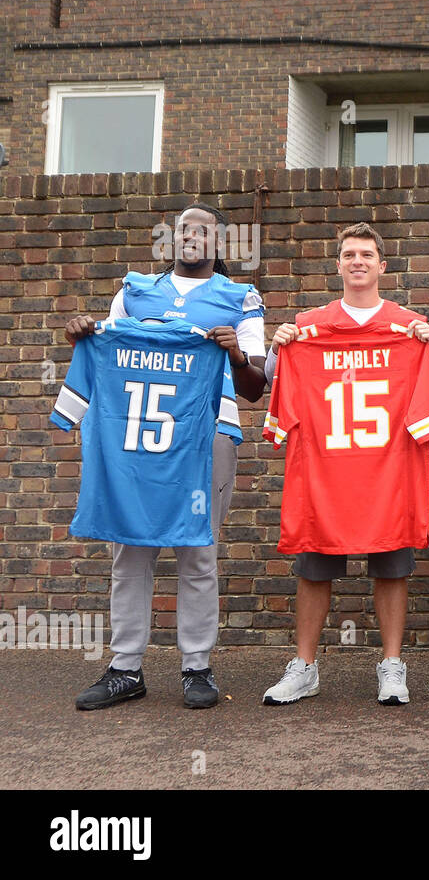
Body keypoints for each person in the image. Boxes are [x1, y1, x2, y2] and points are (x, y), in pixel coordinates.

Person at [63, 202, 267, 710]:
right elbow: (104, 350)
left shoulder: (240, 298)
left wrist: (236, 356)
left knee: (198, 552)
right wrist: (85, 335)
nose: (192, 236)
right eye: (183, 229)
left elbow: (256, 388)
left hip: (207, 439)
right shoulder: (134, 291)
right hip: (136, 441)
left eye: (204, 230)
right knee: (129, 550)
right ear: (170, 238)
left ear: (219, 243)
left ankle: (197, 666)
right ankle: (125, 668)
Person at [261, 222, 429, 706]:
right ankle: (304, 666)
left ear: (382, 266)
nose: (358, 261)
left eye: (367, 253)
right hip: (324, 473)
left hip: (388, 473)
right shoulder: (309, 324)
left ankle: (391, 664)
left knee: (392, 564)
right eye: (349, 254)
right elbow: (274, 378)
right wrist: (280, 348)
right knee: (313, 569)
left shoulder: (408, 324)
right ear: (339, 264)